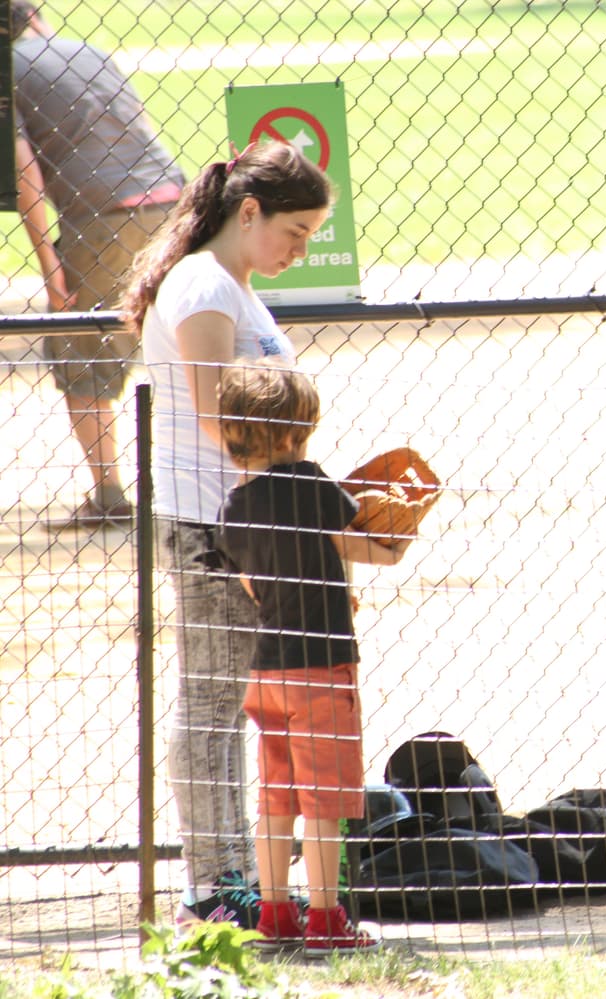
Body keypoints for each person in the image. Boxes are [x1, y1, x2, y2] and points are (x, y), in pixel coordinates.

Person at [120, 139, 333, 928]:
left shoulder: (230, 283)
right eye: (296, 231)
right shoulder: (205, 286)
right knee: (210, 703)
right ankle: (212, 886)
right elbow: (222, 420)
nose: (301, 249)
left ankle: (232, 871)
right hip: (212, 521)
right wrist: (293, 498)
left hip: (238, 516)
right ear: (250, 213)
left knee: (229, 699)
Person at [216, 360, 408, 955]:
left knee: (276, 798)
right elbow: (367, 542)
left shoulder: (232, 508)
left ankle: (275, 912)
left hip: (265, 671)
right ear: (292, 437)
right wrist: (397, 523)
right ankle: (325, 917)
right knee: (325, 802)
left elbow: (252, 582)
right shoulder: (313, 483)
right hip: (320, 668)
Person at [11, 0, 186, 529]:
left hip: (104, 215)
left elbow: (27, 176)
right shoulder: (86, 49)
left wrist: (50, 266)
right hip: (174, 200)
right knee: (177, 339)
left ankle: (109, 495)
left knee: (79, 348)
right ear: (35, 16)